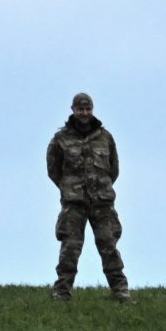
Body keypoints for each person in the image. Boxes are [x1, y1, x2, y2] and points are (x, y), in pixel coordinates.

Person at [47, 92, 128, 302]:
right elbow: (53, 170)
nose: (85, 113)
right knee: (70, 249)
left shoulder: (105, 137)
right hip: (74, 204)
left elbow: (114, 169)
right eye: (80, 109)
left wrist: (101, 188)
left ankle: (120, 291)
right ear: (73, 110)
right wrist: (69, 188)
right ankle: (62, 293)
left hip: (102, 203)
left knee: (109, 247)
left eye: (88, 109)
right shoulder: (60, 139)